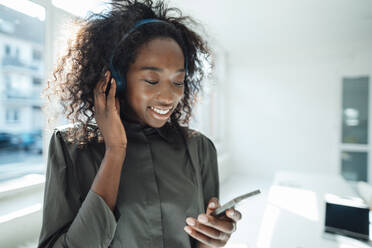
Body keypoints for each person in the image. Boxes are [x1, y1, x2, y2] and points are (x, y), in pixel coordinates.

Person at [38, 0, 242, 247]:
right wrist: (115, 151)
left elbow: (199, 241)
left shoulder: (199, 147)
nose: (169, 97)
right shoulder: (70, 146)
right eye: (152, 80)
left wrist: (214, 237)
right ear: (115, 80)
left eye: (178, 82)